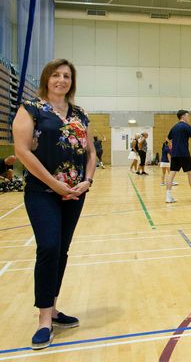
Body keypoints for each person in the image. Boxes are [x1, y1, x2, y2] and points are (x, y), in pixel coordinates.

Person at [12, 59, 96, 350]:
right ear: (47, 78)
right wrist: (53, 182)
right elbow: (22, 150)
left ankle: (54, 308)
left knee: (61, 250)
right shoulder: (31, 109)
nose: (62, 80)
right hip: (42, 191)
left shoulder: (81, 113)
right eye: (56, 75)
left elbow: (91, 153)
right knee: (48, 247)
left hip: (75, 193)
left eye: (67, 76)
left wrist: (88, 180)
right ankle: (43, 320)